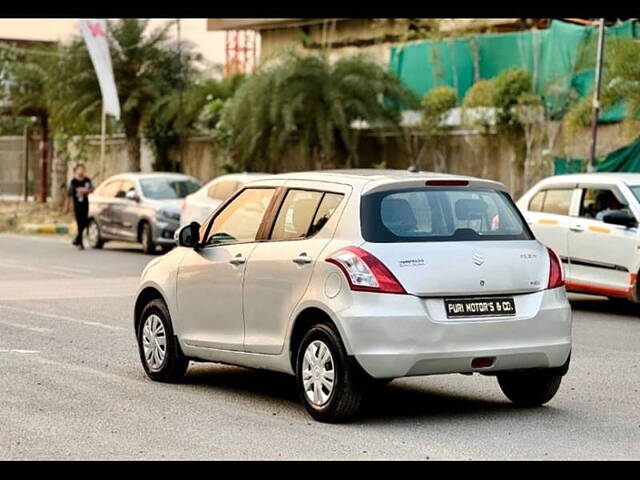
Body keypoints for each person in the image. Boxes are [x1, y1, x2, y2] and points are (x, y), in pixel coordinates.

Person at [63, 164, 94, 250]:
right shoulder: (74, 182)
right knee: (79, 222)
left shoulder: (87, 180)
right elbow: (69, 195)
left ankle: (77, 239)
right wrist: (66, 206)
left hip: (85, 203)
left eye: (83, 169)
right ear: (76, 171)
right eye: (80, 169)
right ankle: (80, 242)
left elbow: (92, 189)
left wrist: (85, 190)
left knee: (84, 222)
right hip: (77, 204)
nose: (81, 171)